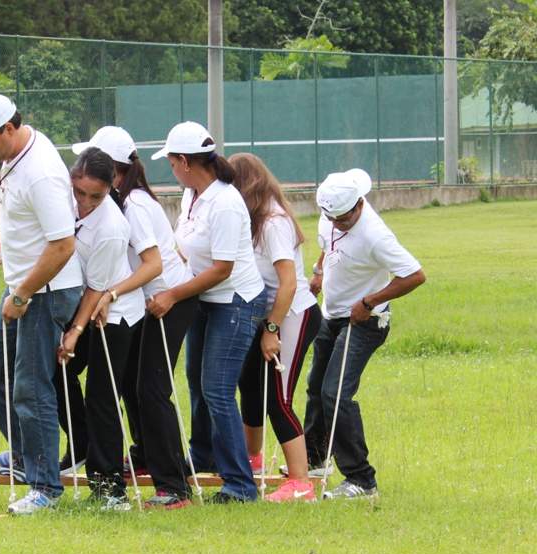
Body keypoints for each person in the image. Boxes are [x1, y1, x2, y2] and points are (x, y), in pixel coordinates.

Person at [0, 93, 83, 515]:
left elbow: (63, 244)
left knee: (32, 388)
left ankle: (45, 487)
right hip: (26, 287)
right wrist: (0, 241)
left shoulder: (41, 172)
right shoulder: (13, 158)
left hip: (47, 292)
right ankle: (23, 457)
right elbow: (22, 215)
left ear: (9, 129)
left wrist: (22, 293)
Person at [72, 126, 197, 509]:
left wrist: (112, 293)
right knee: (129, 386)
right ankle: (142, 457)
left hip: (167, 301)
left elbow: (154, 264)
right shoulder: (117, 201)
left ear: (116, 171)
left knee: (152, 390)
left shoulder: (135, 205)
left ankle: (174, 486)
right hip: (143, 303)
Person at [148, 122, 266, 503]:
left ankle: (240, 485)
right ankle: (202, 459)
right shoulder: (192, 196)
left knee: (217, 389)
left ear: (184, 161)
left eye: (170, 162)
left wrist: (172, 294)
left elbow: (222, 268)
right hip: (206, 301)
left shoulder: (226, 203)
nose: (171, 169)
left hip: (235, 302)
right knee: (197, 383)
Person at [305, 168, 426, 500]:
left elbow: (415, 275)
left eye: (344, 219)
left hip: (365, 321)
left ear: (359, 204)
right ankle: (314, 462)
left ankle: (361, 479)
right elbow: (328, 243)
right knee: (316, 388)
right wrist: (318, 272)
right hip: (332, 314)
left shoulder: (375, 235)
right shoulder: (329, 217)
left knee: (335, 393)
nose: (337, 224)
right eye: (332, 218)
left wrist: (370, 301)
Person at [54, 147, 151, 511]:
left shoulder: (111, 227)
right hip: (87, 304)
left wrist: (74, 332)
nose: (85, 202)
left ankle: (109, 486)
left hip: (114, 314)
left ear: (111, 189)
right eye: (79, 192)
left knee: (102, 396)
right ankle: (80, 445)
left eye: (95, 196)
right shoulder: (65, 198)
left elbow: (97, 287)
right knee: (56, 371)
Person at [229, 152, 322, 502]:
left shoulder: (272, 223)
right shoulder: (254, 220)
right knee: (250, 386)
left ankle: (301, 482)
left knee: (278, 399)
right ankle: (251, 460)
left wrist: (271, 330)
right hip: (269, 316)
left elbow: (288, 284)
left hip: (292, 315)